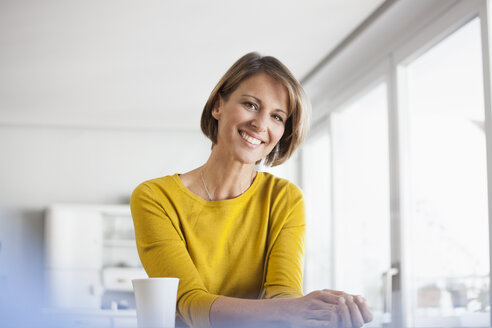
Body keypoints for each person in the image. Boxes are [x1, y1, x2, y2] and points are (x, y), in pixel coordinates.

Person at [130, 52, 373, 328]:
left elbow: (283, 293)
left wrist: (316, 313)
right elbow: (190, 303)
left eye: (277, 117)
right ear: (218, 106)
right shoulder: (155, 197)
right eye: (250, 104)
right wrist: (294, 310)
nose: (261, 125)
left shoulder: (284, 198)